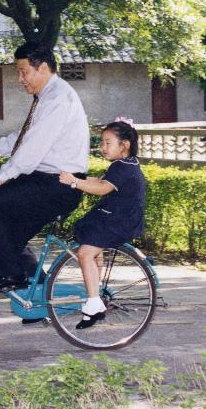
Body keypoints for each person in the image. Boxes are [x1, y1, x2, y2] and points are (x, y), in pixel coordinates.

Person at [0, 41, 89, 298]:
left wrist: (1, 177)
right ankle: (39, 297)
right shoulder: (48, 96)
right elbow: (27, 136)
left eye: (23, 71)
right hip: (46, 180)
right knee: (7, 236)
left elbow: (33, 148)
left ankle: (12, 276)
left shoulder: (59, 98)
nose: (20, 79)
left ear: (43, 68)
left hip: (59, 184)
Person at [58, 118, 146, 329]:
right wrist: (75, 180)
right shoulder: (125, 164)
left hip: (119, 221)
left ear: (124, 146)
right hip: (115, 216)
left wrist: (74, 181)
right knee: (92, 246)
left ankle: (94, 303)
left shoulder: (122, 167)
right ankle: (94, 294)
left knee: (85, 253)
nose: (102, 147)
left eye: (108, 143)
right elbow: (98, 182)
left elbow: (102, 189)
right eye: (102, 142)